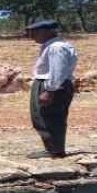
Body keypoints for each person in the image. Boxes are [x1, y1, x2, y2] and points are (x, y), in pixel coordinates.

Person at [26, 20, 78, 159]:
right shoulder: (52, 46)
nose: (32, 36)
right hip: (49, 84)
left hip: (51, 85)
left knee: (50, 117)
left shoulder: (56, 47)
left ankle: (55, 150)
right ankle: (53, 148)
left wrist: (50, 90)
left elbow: (58, 70)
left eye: (35, 32)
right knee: (42, 117)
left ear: (48, 31)